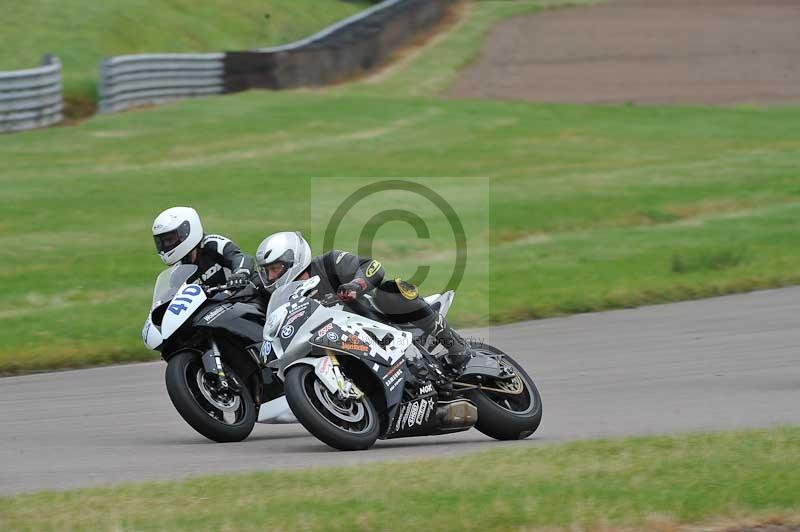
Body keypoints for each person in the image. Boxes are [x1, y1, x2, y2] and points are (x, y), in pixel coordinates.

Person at [254, 231, 472, 376]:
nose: (271, 277)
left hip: (379, 326)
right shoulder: (279, 297)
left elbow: (373, 267)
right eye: (267, 271)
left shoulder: (328, 264)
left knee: (389, 291)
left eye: (275, 269)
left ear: (293, 260)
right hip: (337, 348)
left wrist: (355, 286)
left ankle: (455, 345)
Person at [151, 206, 254, 288]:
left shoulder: (212, 243)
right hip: (216, 310)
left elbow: (241, 258)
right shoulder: (177, 273)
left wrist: (240, 274)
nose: (166, 245)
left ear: (187, 231)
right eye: (162, 242)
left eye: (170, 239)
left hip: (245, 296)